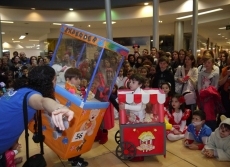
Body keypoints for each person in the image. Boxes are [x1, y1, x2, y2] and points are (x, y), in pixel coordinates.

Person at [0, 66, 74, 167]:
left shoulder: (22, 89)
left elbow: (12, 118)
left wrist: (14, 142)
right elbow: (43, 102)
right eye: (55, 80)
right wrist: (57, 108)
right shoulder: (32, 95)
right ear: (51, 82)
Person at [119, 73, 146, 162]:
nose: (130, 84)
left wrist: (126, 106)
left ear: (140, 84)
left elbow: (138, 107)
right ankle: (132, 150)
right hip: (134, 116)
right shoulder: (135, 92)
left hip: (138, 118)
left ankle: (138, 155)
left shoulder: (140, 94)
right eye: (130, 82)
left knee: (137, 136)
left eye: (133, 82)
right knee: (133, 134)